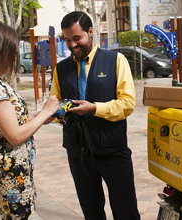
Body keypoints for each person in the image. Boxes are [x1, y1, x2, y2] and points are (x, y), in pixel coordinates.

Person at [50, 11, 140, 220]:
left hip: (113, 149)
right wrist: (53, 115)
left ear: (90, 32)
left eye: (77, 38)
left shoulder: (115, 60)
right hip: (78, 152)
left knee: (126, 212)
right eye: (67, 40)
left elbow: (127, 104)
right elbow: (55, 103)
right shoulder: (61, 69)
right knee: (91, 213)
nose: (72, 45)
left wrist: (94, 108)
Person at [0, 21, 59, 219]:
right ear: (0, 51)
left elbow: (4, 124)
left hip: (9, 172)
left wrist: (34, 118)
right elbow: (15, 136)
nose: (15, 56)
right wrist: (44, 112)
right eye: (12, 50)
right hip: (10, 173)